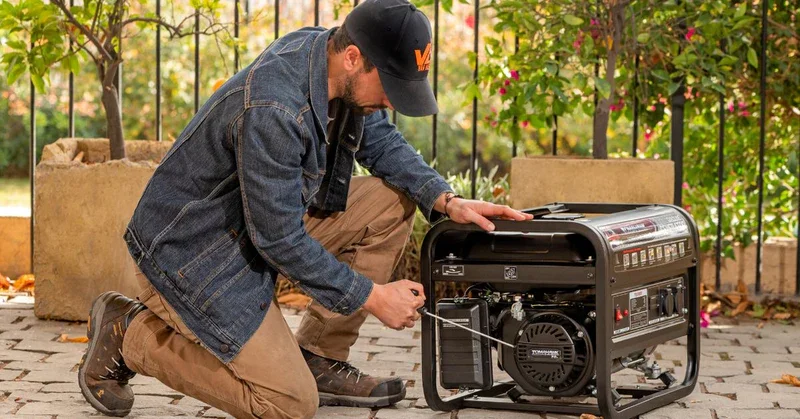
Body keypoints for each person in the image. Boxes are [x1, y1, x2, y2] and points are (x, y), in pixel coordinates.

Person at [77, 0, 532, 417]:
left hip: (253, 228)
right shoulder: (274, 107)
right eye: (390, 85)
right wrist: (372, 297)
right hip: (194, 256)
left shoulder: (329, 62)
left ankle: (320, 358)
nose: (393, 100)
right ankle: (129, 333)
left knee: (390, 202)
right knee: (287, 403)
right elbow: (278, 239)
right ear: (353, 57)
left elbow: (379, 141)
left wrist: (446, 200)